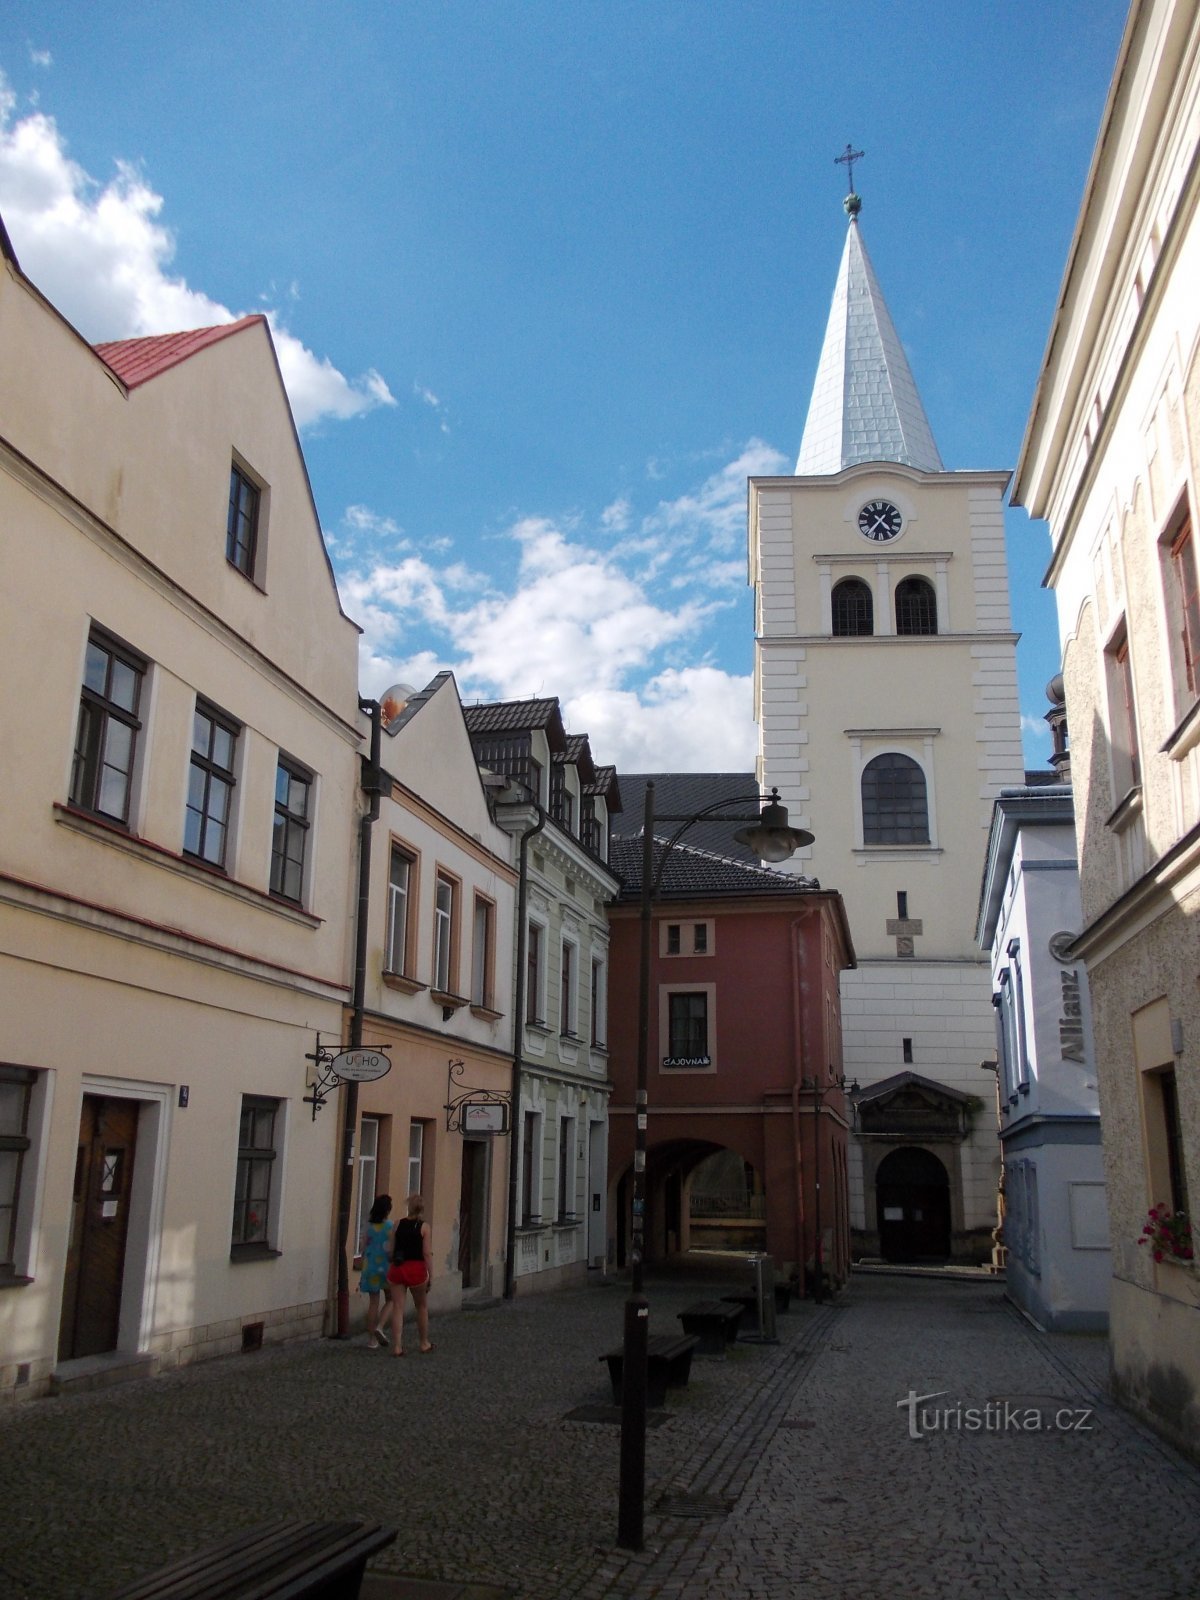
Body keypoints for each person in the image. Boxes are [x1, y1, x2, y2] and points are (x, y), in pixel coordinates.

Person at [387, 1192, 433, 1355]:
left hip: (398, 1268)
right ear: (421, 1209)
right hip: (416, 1269)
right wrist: (430, 1273)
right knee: (421, 1306)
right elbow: (426, 1253)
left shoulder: (397, 1224)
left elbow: (391, 1249)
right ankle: (423, 1342)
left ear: (409, 1207)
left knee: (398, 1307)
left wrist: (392, 1260)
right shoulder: (424, 1227)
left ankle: (397, 1346)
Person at [357, 1193, 394, 1348]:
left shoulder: (369, 1226)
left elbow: (363, 1248)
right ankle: (380, 1326)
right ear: (387, 1211)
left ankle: (371, 1340)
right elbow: (392, 1250)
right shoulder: (390, 1227)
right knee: (392, 1299)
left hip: (370, 1267)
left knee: (373, 1302)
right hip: (385, 1267)